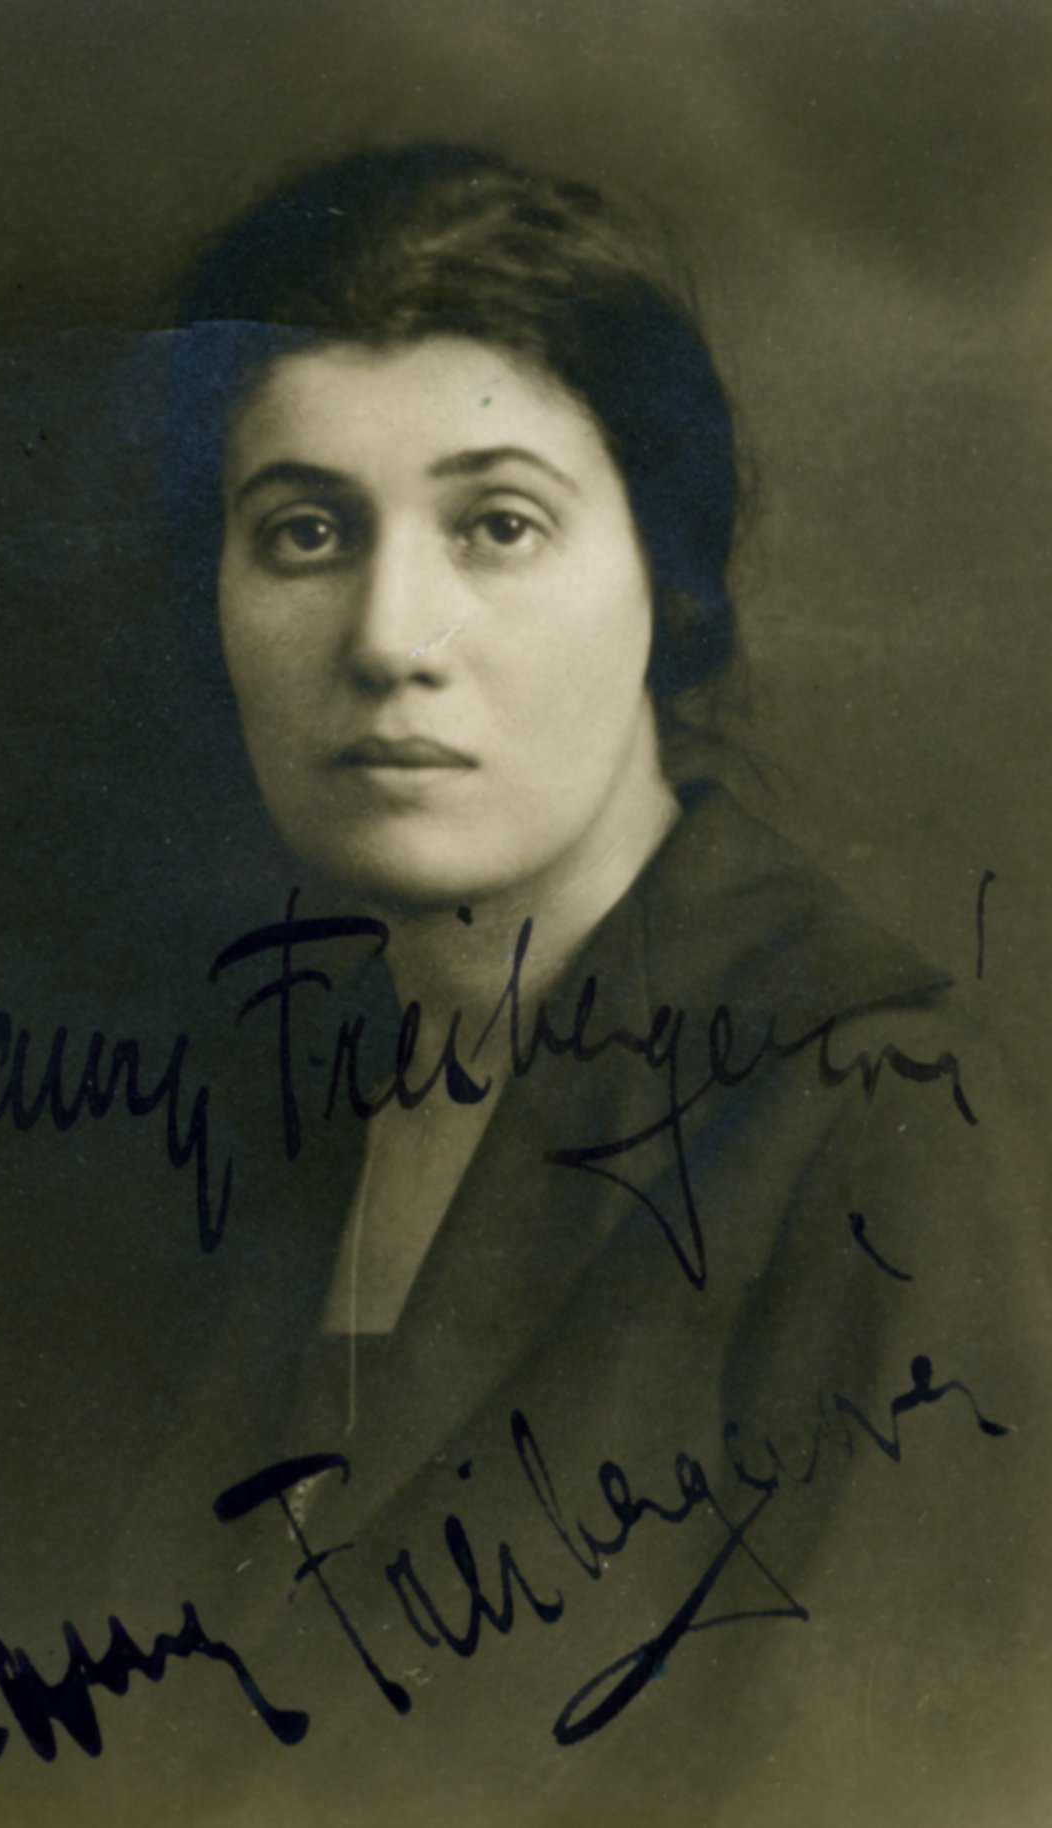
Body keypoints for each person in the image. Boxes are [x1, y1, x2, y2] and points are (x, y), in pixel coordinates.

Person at [107, 144, 1049, 1827]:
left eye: (499, 525)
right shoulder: (244, 1097)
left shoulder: (881, 1127)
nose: (390, 636)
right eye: (305, 531)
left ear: (666, 579)